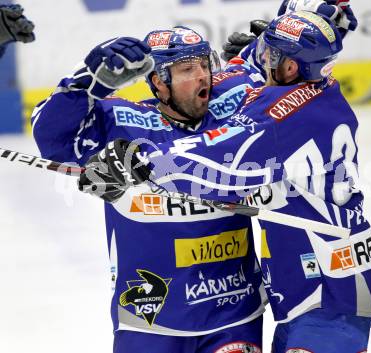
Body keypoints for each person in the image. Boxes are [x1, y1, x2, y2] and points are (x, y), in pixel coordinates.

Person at [82, 11, 371, 353]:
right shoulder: (320, 89)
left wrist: (140, 162)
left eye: (270, 54)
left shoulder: (281, 113)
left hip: (325, 291)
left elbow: (219, 159)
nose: (261, 59)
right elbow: (313, 30)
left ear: (289, 68)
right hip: (317, 283)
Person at [31, 28, 266, 353]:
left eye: (204, 65)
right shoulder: (120, 119)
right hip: (150, 315)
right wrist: (86, 80)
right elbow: (52, 140)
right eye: (187, 69)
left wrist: (268, 54)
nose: (202, 77)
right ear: (158, 81)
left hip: (232, 309)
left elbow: (292, 84)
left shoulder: (233, 104)